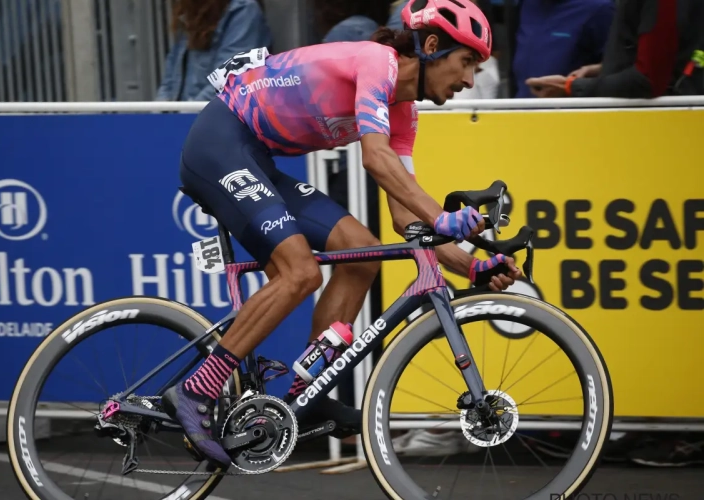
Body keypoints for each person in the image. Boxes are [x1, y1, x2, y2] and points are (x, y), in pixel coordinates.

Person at [162, 0, 522, 468]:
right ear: (432, 47)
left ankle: (303, 394)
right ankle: (196, 390)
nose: (470, 80)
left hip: (256, 158)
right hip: (220, 144)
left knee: (364, 253)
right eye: (467, 62)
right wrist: (443, 218)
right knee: (300, 273)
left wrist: (473, 265)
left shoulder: (404, 112)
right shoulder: (378, 63)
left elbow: (405, 218)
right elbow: (376, 158)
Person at [525, 0, 704, 98]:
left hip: (663, 130)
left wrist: (571, 87)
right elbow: (663, 55)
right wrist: (604, 68)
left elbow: (648, 81)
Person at [156, 0, 272, 102]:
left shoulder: (243, 11)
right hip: (185, 118)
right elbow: (169, 83)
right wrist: (157, 118)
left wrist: (181, 119)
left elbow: (227, 82)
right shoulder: (189, 13)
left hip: (213, 120)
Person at [510, 0, 615, 98]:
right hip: (522, 109)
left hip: (572, 111)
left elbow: (620, 67)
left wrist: (573, 85)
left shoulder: (599, 8)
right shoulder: (527, 4)